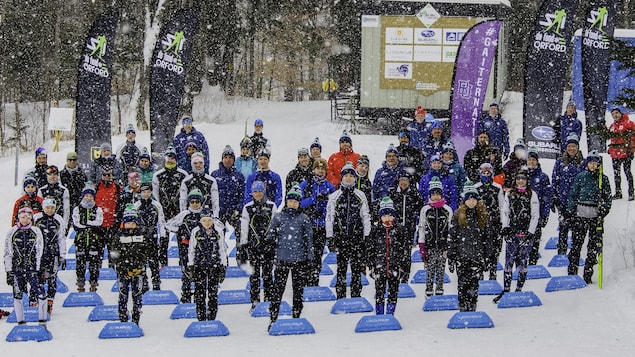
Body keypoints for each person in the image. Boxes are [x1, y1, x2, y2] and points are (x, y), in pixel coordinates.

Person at [266, 183, 314, 331]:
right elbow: (270, 234)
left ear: (299, 203)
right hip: (282, 259)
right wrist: (270, 244)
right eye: (290, 201)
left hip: (299, 260)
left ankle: (296, 315)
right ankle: (273, 317)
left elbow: (308, 239)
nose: (292, 204)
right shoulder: (279, 217)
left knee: (298, 290)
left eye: (295, 201)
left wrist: (310, 258)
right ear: (286, 201)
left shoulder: (304, 218)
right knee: (277, 290)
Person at [325, 163, 371, 299]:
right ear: (342, 178)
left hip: (357, 238)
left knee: (356, 268)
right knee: (341, 268)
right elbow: (329, 217)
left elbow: (366, 216)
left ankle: (356, 294)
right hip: (341, 238)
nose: (349, 178)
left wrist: (367, 236)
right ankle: (340, 295)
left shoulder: (361, 195)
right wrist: (330, 237)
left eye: (351, 176)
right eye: (346, 175)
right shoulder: (334, 196)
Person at [494, 169, 540, 303]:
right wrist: (505, 228)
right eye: (518, 178)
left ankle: (519, 289)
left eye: (523, 179)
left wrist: (531, 232)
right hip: (512, 232)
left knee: (523, 262)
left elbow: (535, 215)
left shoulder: (532, 194)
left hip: (525, 233)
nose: (520, 181)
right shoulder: (509, 193)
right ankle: (506, 289)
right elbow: (506, 212)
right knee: (509, 261)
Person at [567, 150, 612, 284]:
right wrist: (571, 212)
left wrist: (604, 210)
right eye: (591, 163)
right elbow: (573, 195)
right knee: (576, 244)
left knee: (593, 246)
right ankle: (572, 271)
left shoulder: (602, 179)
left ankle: (588, 271)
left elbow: (608, 197)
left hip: (595, 217)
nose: (593, 166)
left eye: (595, 163)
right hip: (580, 215)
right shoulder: (581, 177)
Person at [448, 183, 490, 312]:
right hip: (462, 255)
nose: (471, 202)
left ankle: (472, 305)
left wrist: (487, 256)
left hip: (477, 256)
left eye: (474, 199)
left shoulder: (483, 216)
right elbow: (452, 237)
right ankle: (462, 305)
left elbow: (487, 238)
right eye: (469, 199)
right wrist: (451, 256)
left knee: (474, 283)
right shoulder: (457, 216)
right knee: (462, 283)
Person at [4, 207, 46, 325]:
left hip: (32, 269)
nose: (25, 219)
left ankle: (42, 319)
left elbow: (40, 251)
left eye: (28, 217)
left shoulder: (36, 231)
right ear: (18, 218)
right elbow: (7, 252)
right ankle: (20, 321)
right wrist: (9, 271)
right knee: (17, 295)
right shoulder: (12, 232)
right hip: (17, 269)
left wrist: (39, 269)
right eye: (22, 217)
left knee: (41, 293)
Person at [240, 181, 278, 311]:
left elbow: (275, 224)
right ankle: (255, 301)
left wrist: (273, 241)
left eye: (260, 191)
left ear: (264, 191)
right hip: (253, 246)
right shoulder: (247, 207)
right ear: (252, 193)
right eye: (255, 191)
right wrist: (243, 244)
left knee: (268, 274)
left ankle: (268, 300)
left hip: (268, 246)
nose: (258, 194)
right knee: (254, 275)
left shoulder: (271, 205)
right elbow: (244, 227)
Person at [369, 197, 409, 315]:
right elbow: (370, 249)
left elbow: (405, 250)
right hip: (379, 267)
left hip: (395, 267)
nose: (387, 218)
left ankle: (390, 313)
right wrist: (371, 265)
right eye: (384, 215)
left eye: (390, 215)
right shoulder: (376, 230)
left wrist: (404, 267)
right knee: (379, 292)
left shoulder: (400, 230)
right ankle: (379, 313)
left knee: (393, 291)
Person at [300, 158, 336, 286]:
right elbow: (298, 203)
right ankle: (304, 280)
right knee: (305, 254)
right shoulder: (306, 184)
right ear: (313, 169)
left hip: (321, 226)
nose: (320, 171)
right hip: (307, 225)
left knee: (317, 255)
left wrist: (324, 208)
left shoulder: (330, 187)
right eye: (318, 168)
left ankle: (314, 281)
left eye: (322, 168)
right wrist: (314, 199)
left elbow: (333, 207)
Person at [165, 189, 205, 303]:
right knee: (186, 272)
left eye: (197, 201)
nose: (195, 204)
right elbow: (168, 225)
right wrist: (179, 230)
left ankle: (199, 296)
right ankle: (186, 295)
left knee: (199, 272)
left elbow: (218, 226)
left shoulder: (205, 214)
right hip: (185, 247)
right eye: (192, 202)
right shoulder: (184, 214)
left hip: (200, 248)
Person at [188, 208, 227, 321]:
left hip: (214, 266)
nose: (207, 223)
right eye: (204, 220)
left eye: (209, 220)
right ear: (201, 221)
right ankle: (200, 316)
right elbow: (191, 249)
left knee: (213, 293)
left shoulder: (218, 231)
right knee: (199, 293)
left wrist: (223, 266)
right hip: (199, 266)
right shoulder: (196, 231)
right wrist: (191, 266)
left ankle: (212, 317)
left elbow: (222, 249)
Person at [111, 205, 147, 325]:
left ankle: (136, 317)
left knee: (137, 294)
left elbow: (145, 253)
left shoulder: (142, 236)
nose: (130, 225)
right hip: (123, 272)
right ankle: (122, 316)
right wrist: (123, 270)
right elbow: (115, 255)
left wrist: (140, 268)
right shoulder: (119, 237)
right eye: (128, 222)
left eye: (132, 222)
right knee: (123, 294)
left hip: (138, 271)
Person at [417, 177, 452, 297]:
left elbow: (450, 229)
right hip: (430, 245)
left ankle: (440, 289)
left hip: (443, 246)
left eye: (438, 194)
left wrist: (449, 246)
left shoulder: (447, 210)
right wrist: (421, 246)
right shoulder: (425, 210)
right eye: (433, 194)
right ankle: (428, 289)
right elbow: (421, 227)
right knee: (430, 269)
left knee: (441, 269)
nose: (436, 196)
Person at [551, 133, 585, 255]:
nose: (571, 148)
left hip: (578, 202)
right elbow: (554, 179)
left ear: (578, 147)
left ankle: (575, 253)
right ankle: (562, 250)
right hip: (563, 201)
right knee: (563, 226)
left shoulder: (583, 163)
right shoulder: (560, 162)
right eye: (569, 146)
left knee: (577, 228)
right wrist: (554, 197)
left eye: (574, 146)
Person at [33, 198, 66, 316]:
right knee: (38, 278)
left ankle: (50, 302)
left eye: (52, 208)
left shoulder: (58, 219)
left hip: (53, 253)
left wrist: (62, 255)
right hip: (39, 254)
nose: (50, 210)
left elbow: (61, 238)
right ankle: (38, 301)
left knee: (52, 278)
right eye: (47, 208)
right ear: (43, 207)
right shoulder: (36, 218)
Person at [390, 171, 423, 283]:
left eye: (406, 180)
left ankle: (405, 277)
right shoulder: (392, 193)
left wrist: (415, 218)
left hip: (409, 228)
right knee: (394, 253)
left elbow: (420, 209)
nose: (404, 183)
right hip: (395, 229)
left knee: (406, 254)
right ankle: (394, 276)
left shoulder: (414, 194)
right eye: (402, 180)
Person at [473, 163, 504, 280]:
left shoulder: (497, 187)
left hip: (494, 222)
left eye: (488, 172)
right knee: (480, 248)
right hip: (480, 223)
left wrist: (502, 222)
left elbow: (501, 206)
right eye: (483, 172)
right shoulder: (476, 187)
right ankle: (480, 272)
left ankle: (493, 272)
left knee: (495, 248)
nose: (486, 174)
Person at [134, 182, 166, 291]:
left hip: (152, 235)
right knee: (141, 260)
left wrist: (163, 235)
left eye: (148, 192)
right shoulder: (136, 205)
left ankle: (156, 280)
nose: (146, 194)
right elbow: (133, 222)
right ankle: (143, 281)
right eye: (144, 192)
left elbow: (161, 221)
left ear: (151, 192)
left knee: (153, 260)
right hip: (140, 236)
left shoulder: (156, 205)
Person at [72, 184, 104, 292]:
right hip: (81, 239)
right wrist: (89, 225)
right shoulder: (77, 209)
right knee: (80, 263)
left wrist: (86, 223)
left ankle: (93, 283)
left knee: (94, 264)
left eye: (90, 196)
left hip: (94, 240)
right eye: (86, 196)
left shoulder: (97, 209)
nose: (88, 198)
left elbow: (99, 222)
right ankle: (80, 283)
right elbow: (77, 224)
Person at [211, 145, 245, 244]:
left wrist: (238, 209)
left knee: (240, 231)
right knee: (218, 235)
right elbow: (211, 194)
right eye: (225, 157)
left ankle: (240, 254)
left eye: (230, 158)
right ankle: (220, 256)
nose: (228, 160)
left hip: (234, 211)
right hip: (219, 211)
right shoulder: (215, 174)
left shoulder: (239, 176)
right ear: (222, 159)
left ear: (234, 160)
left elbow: (242, 194)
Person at [526, 149, 553, 265]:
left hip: (537, 213)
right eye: (529, 160)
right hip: (524, 213)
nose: (531, 162)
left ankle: (533, 262)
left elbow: (547, 197)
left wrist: (545, 214)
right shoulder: (521, 175)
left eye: (533, 160)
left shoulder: (543, 177)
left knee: (535, 239)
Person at [94, 166, 123, 270]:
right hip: (99, 225)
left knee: (113, 250)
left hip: (113, 224)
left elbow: (121, 204)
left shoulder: (117, 188)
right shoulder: (96, 187)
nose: (106, 177)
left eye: (109, 175)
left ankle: (113, 269)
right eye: (104, 175)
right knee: (98, 251)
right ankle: (98, 271)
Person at [153, 145, 189, 221]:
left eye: (172, 158)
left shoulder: (183, 174)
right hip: (164, 209)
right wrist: (159, 209)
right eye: (168, 158)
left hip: (179, 209)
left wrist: (184, 209)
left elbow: (186, 193)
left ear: (176, 160)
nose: (170, 160)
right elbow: (155, 193)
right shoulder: (158, 175)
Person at [179, 151, 220, 216]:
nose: (198, 165)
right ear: (192, 164)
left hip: (207, 217)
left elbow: (215, 200)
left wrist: (216, 216)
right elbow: (183, 200)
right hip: (190, 216)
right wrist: (183, 215)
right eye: (195, 163)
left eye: (200, 163)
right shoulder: (186, 181)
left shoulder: (211, 180)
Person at [607, 108, 635, 201]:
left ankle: (631, 192)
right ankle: (618, 192)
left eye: (616, 113)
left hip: (625, 152)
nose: (615, 115)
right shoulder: (612, 126)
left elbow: (633, 138)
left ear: (620, 113)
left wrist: (632, 151)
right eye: (613, 114)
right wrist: (610, 149)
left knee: (627, 173)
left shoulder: (628, 123)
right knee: (616, 174)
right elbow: (611, 139)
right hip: (615, 154)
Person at [372, 144, 404, 212]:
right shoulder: (380, 172)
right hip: (383, 204)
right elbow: (375, 189)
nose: (391, 158)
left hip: (398, 205)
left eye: (393, 156)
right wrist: (375, 203)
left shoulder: (403, 171)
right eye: (389, 156)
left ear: (397, 157)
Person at [37, 165, 71, 229]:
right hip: (44, 222)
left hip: (58, 221)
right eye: (50, 174)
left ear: (57, 175)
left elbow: (66, 209)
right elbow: (39, 208)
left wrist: (64, 224)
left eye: (54, 174)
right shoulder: (41, 190)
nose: (52, 177)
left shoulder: (64, 190)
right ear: (47, 175)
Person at [60, 151, 87, 216]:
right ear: (67, 160)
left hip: (78, 201)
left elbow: (85, 188)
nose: (72, 162)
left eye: (74, 160)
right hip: (65, 201)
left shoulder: (82, 174)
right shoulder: (61, 174)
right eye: (70, 160)